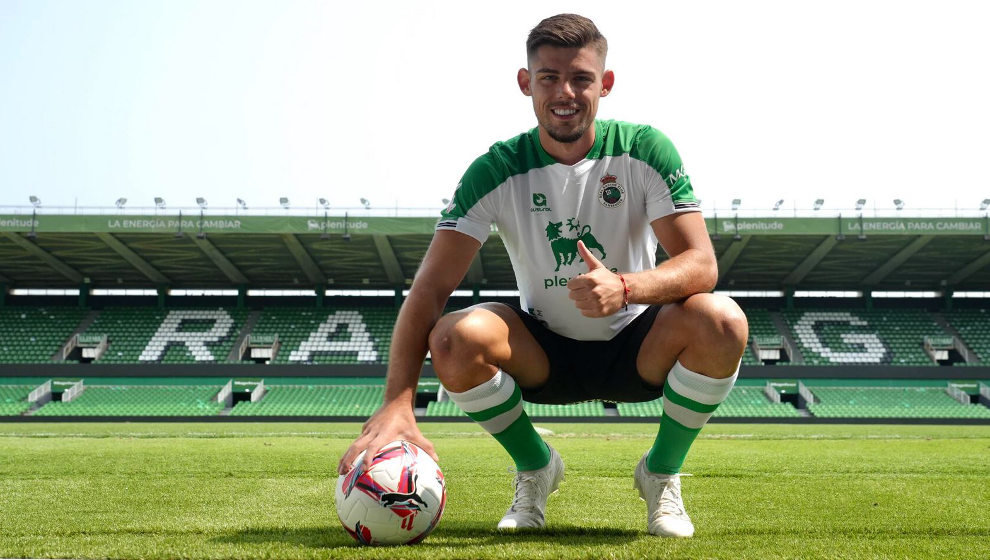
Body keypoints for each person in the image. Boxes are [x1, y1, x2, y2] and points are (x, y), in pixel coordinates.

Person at [339, 13, 748, 538]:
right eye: (550, 77)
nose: (566, 92)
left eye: (581, 78)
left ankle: (660, 474)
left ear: (606, 83)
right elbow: (430, 289)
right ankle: (536, 467)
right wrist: (397, 403)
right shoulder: (496, 169)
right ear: (526, 83)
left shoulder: (644, 150)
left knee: (722, 320)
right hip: (544, 352)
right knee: (455, 336)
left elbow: (702, 264)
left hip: (638, 345)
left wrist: (626, 287)